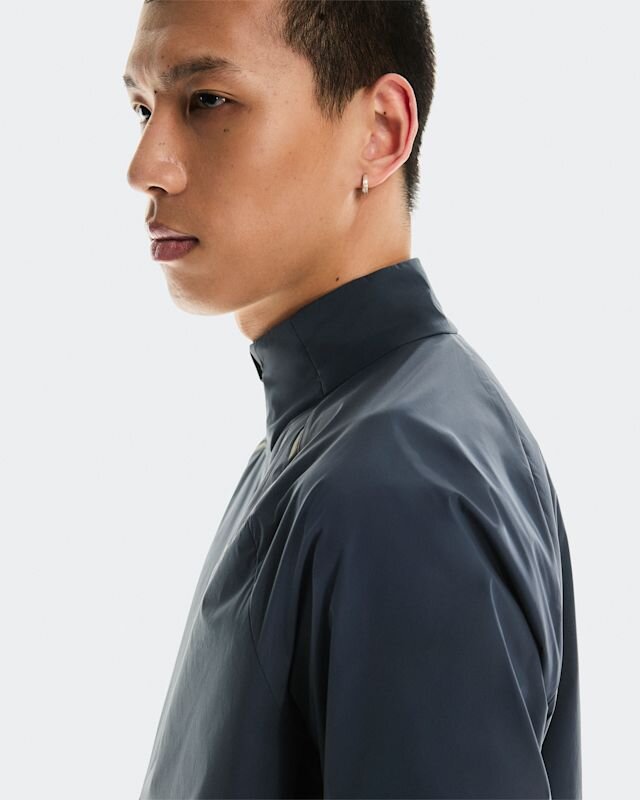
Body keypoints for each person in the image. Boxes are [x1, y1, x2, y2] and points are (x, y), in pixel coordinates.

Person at [123, 1, 582, 798]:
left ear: (380, 132)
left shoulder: (397, 488)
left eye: (207, 101)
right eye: (141, 108)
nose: (146, 165)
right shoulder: (350, 433)